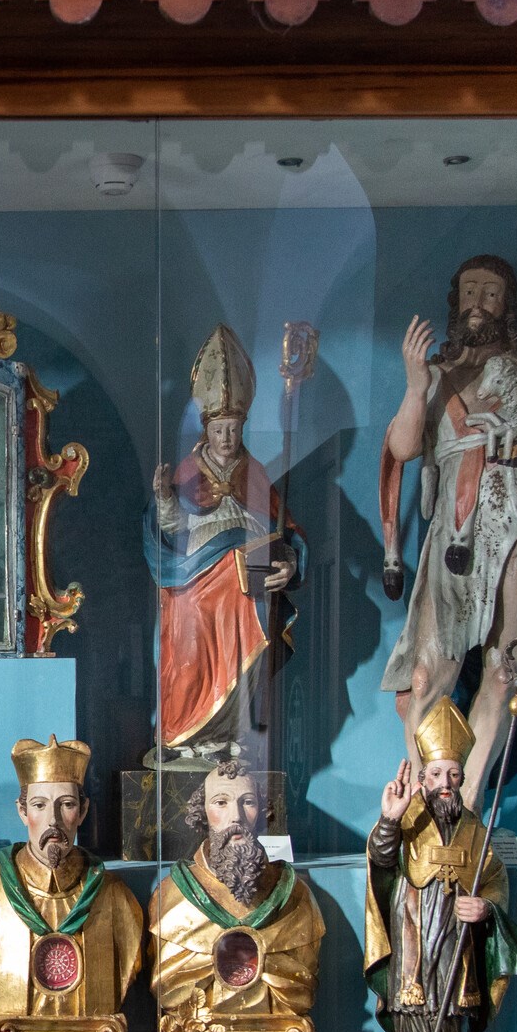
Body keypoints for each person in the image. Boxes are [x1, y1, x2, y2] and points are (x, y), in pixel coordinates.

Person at [378, 255, 517, 799]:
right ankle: (424, 809)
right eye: (470, 292)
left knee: (506, 672)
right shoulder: (436, 376)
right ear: (455, 302)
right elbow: (403, 449)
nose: (478, 304)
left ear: (508, 306)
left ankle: (469, 808)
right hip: (454, 534)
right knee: (427, 676)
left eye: (492, 293)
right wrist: (414, 385)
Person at [363, 696, 517, 1032]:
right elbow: (381, 859)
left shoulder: (474, 828)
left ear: (461, 779)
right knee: (416, 1005)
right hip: (414, 927)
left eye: (453, 774)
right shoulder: (407, 817)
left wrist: (485, 907)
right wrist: (388, 819)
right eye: (437, 773)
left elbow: (494, 879)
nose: (445, 783)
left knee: (454, 1006)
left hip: (457, 933)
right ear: (423, 777)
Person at [144, 324, 302, 762]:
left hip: (245, 592)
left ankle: (229, 735)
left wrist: (288, 561)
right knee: (190, 656)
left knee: (243, 661)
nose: (227, 438)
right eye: (219, 430)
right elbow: (170, 528)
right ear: (206, 430)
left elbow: (285, 532)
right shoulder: (187, 472)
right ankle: (183, 736)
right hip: (195, 585)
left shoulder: (256, 474)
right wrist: (164, 498)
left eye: (233, 429)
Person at [0, 735, 145, 1032]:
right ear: (22, 811)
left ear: (83, 811)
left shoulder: (115, 899)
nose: (53, 821)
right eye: (40, 805)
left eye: (67, 805)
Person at [148, 761, 325, 1032]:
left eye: (248, 802)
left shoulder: (294, 896)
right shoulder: (172, 896)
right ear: (202, 813)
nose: (236, 817)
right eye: (221, 802)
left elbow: (302, 987)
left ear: (262, 812)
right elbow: (168, 989)